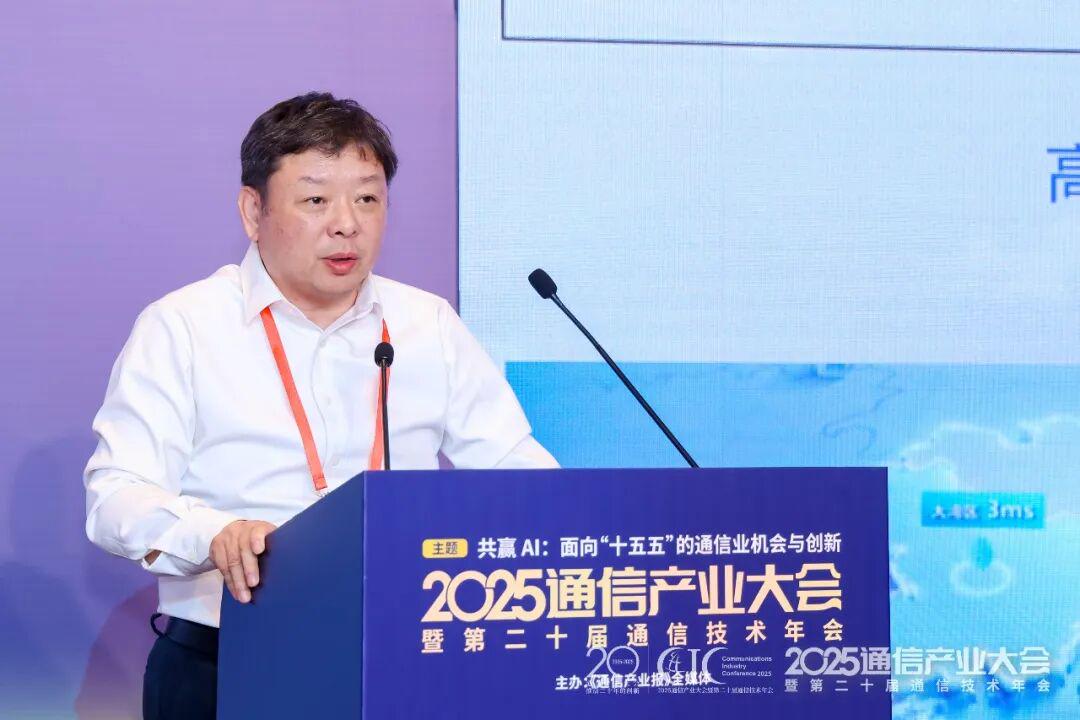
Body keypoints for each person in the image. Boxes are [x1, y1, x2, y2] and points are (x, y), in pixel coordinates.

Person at [83, 92, 558, 719]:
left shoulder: (426, 324)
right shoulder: (185, 326)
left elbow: (520, 474)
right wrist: (215, 533)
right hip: (230, 661)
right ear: (252, 210)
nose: (347, 224)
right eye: (315, 201)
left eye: (367, 199)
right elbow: (116, 494)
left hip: (404, 657)